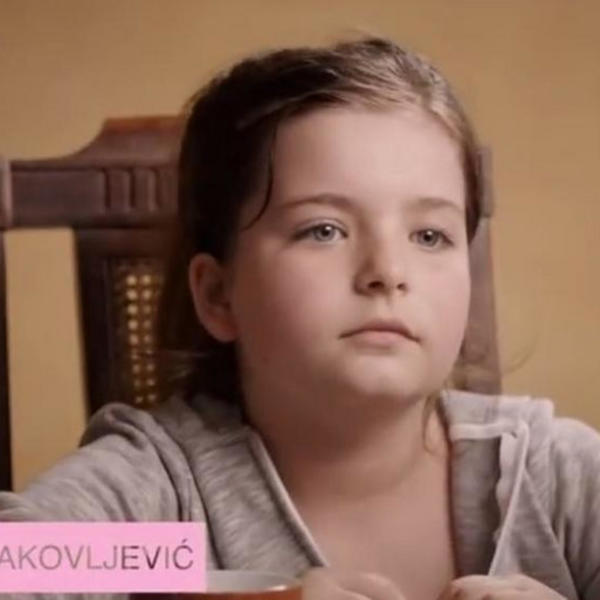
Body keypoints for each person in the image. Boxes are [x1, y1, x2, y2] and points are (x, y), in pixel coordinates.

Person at [1, 37, 599, 600]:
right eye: (324, 230)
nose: (388, 271)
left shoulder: (554, 484)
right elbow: (15, 563)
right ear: (219, 296)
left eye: (429, 235)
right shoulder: (170, 506)